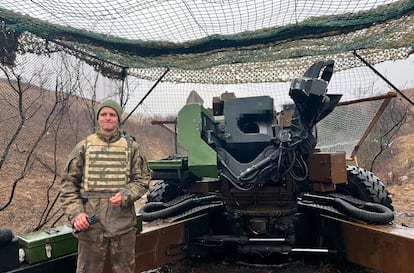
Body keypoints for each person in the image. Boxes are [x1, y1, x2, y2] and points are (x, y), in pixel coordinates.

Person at [60, 99, 150, 273]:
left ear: (117, 119)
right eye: (103, 114)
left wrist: (125, 195)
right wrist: (76, 214)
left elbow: (142, 180)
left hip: (122, 226)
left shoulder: (132, 148)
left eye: (112, 114)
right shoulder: (84, 147)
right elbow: (68, 184)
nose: (108, 118)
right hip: (91, 227)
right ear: (98, 118)